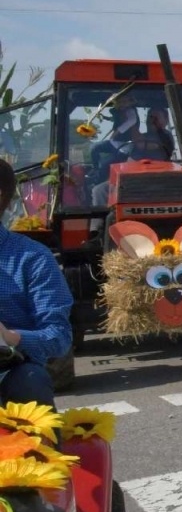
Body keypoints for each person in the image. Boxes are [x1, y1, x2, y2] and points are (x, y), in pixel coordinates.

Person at [0, 160, 73, 407]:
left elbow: (59, 336)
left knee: (31, 379)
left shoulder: (33, 258)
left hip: (10, 372)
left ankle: (38, 445)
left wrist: (9, 337)